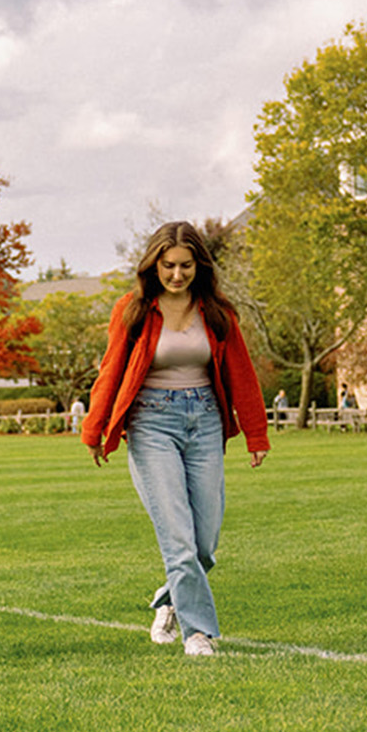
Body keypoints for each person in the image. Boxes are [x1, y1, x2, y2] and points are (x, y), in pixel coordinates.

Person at [81, 221, 268, 658]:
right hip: (151, 425)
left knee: (203, 544)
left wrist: (256, 433)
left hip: (204, 422)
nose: (177, 275)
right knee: (179, 540)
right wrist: (95, 429)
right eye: (168, 266)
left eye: (186, 266)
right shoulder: (133, 310)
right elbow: (110, 371)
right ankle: (197, 633)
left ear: (199, 266)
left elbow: (242, 373)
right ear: (154, 265)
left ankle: (168, 600)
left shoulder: (218, 313)